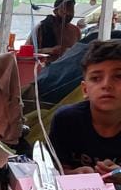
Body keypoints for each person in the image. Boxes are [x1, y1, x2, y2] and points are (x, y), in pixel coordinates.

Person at [49, 40, 121, 174]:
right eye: (96, 78)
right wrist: (74, 175)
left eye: (118, 76)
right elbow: (53, 171)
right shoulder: (66, 120)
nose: (106, 85)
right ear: (85, 89)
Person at [32, 0, 81, 64]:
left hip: (69, 68)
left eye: (71, 10)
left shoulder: (76, 30)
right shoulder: (42, 27)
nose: (68, 13)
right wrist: (49, 50)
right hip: (46, 68)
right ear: (55, 11)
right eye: (64, 10)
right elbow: (28, 51)